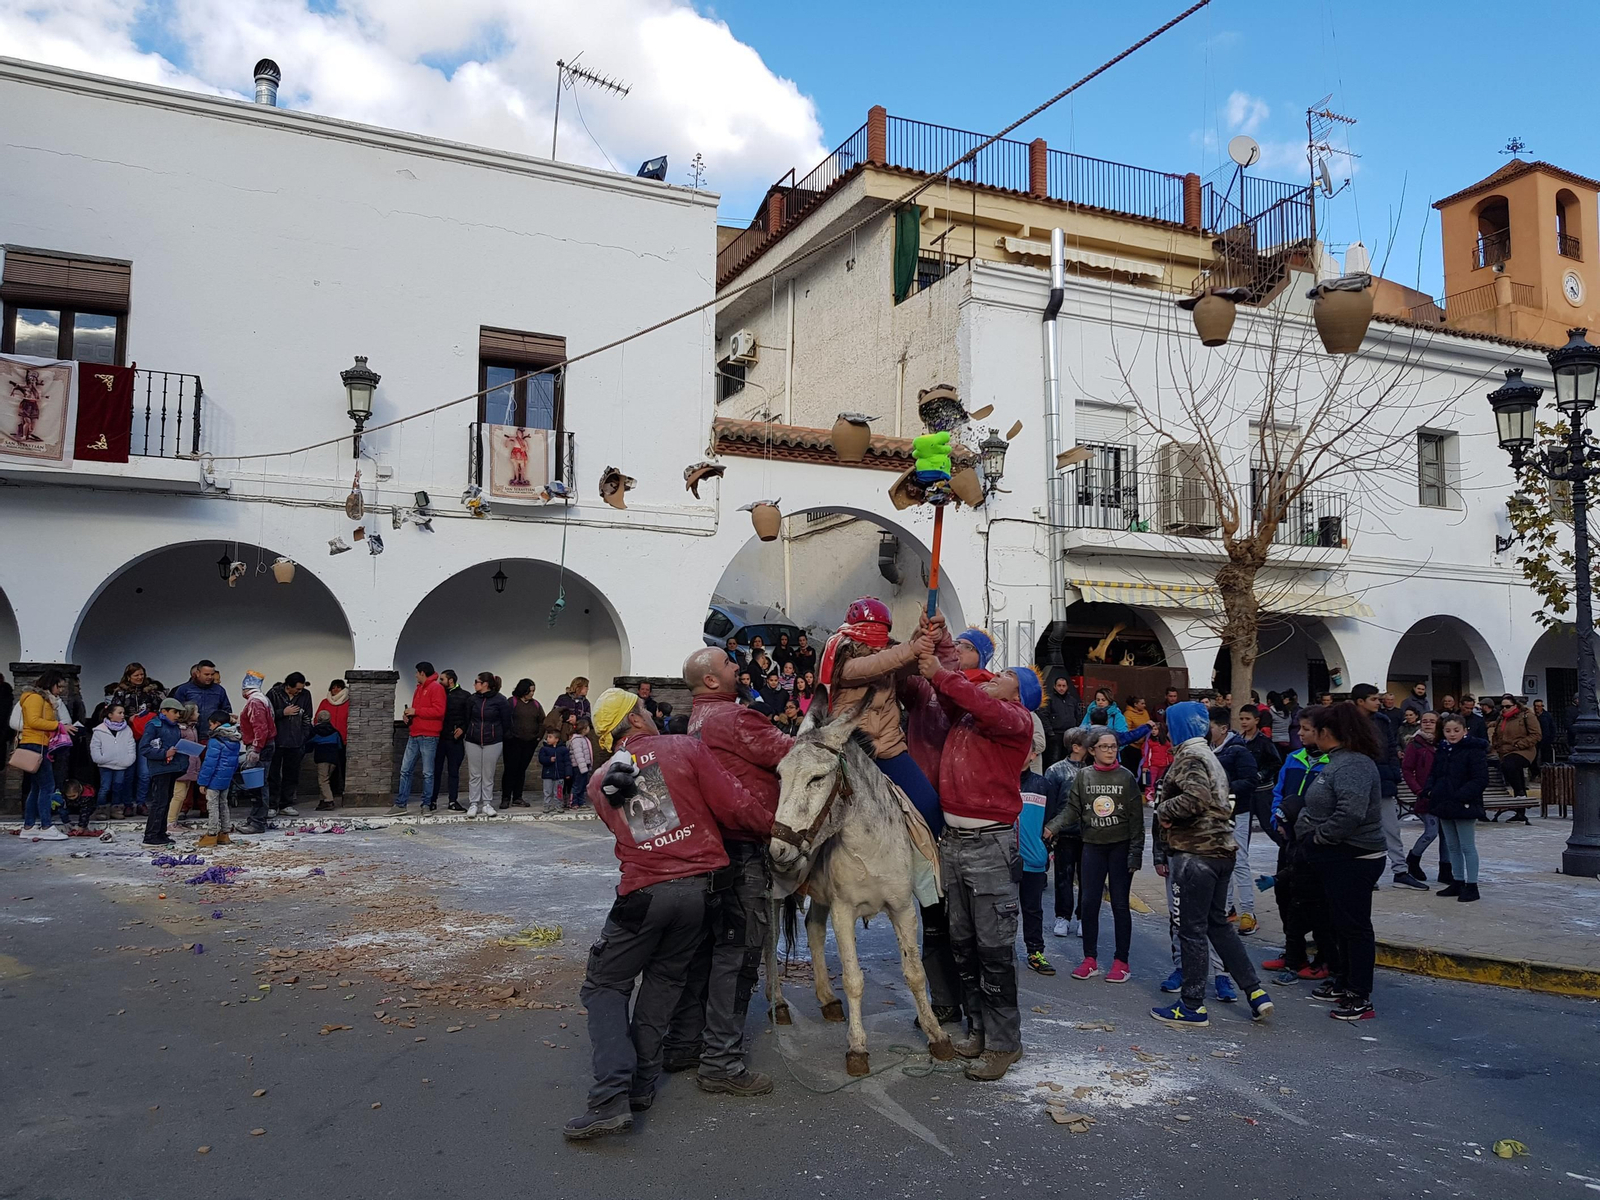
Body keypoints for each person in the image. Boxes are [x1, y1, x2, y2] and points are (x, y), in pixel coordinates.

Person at [565, 688, 773, 1141]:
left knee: (604, 984)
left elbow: (643, 831)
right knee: (665, 980)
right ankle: (639, 1085)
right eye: (645, 710)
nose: (652, 715)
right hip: (700, 894)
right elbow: (736, 805)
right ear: (636, 720)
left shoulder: (602, 779)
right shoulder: (684, 748)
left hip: (645, 897)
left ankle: (609, 1098)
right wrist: (777, 829)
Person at [662, 647, 793, 1092]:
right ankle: (721, 1062)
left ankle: (683, 1043)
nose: (740, 667)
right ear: (713, 681)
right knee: (736, 958)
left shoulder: (695, 720)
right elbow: (794, 756)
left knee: (703, 952)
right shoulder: (736, 719)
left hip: (709, 852)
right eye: (730, 664)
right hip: (743, 851)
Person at [919, 653, 1038, 1082]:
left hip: (990, 846)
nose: (993, 679)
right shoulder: (972, 717)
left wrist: (940, 673)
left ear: (1019, 695)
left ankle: (1005, 1043)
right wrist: (938, 654)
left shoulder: (1014, 719)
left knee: (994, 951)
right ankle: (979, 1030)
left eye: (1004, 677)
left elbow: (972, 697)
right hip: (956, 844)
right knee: (964, 945)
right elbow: (957, 694)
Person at [1148, 701, 1274, 1028]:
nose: (1165, 729)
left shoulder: (1189, 758)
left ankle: (1192, 1005)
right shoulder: (1210, 756)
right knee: (1218, 924)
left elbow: (1196, 798)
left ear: (1179, 727)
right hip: (1221, 851)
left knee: (1192, 929)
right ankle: (1255, 991)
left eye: (1168, 724)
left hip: (1195, 854)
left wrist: (1162, 810)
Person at [818, 597, 956, 835]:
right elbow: (876, 665)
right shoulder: (840, 657)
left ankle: (933, 864)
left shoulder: (890, 652)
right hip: (850, 752)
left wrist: (930, 631)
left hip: (891, 749)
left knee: (930, 809)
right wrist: (914, 646)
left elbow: (905, 659)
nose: (876, 645)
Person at [1297, 702, 1388, 1021]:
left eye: (1313, 730)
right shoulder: (1336, 761)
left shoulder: (1353, 765)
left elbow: (1351, 812)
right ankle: (1343, 980)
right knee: (1339, 923)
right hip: (1336, 857)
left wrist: (1319, 837)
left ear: (1327, 733)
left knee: (1354, 926)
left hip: (1354, 856)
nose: (1306, 735)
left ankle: (1360, 994)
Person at [1047, 728, 1144, 984]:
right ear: (1092, 750)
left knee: (1120, 905)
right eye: (1105, 747)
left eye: (1114, 746)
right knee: (1089, 903)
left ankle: (1121, 962)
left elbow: (1137, 820)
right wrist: (1052, 827)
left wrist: (1136, 854)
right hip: (1092, 846)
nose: (1110, 751)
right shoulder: (1084, 777)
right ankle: (1089, 959)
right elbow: (1072, 810)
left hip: (1120, 848)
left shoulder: (1126, 777)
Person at [1261, 708, 1332, 982]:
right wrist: (1276, 819)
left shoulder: (1331, 763)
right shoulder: (1293, 759)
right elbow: (1278, 793)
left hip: (1314, 842)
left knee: (1314, 902)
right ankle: (1294, 953)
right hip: (1288, 840)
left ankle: (1324, 957)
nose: (1299, 734)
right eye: (1298, 729)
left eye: (1305, 729)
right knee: (1285, 895)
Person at [1351, 683, 1426, 890]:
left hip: (1382, 780)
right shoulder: (1345, 722)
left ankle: (1400, 871)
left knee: (1391, 828)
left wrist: (1394, 773)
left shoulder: (1382, 721)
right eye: (1374, 699)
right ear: (1360, 701)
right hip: (1355, 783)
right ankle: (1367, 874)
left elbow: (1391, 749)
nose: (1379, 702)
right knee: (1360, 830)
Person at [1210, 706, 1264, 943]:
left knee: (1239, 861)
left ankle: (1248, 912)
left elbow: (1250, 781)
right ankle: (1227, 908)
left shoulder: (1239, 752)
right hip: (1216, 815)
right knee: (1221, 861)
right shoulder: (1209, 750)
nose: (1206, 731)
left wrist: (1224, 791)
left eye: (1210, 727)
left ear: (1222, 728)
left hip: (1238, 813)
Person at [1422, 714, 1488, 902]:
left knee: (1467, 845)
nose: (1452, 734)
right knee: (1452, 845)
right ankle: (1457, 880)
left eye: (1456, 730)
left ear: (1465, 730)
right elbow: (1434, 773)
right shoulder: (1443, 750)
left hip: (1464, 803)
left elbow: (1480, 779)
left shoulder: (1473, 750)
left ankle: (1472, 885)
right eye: (1448, 731)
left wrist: (1461, 795)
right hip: (1444, 802)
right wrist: (1430, 791)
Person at [1017, 719, 1055, 976]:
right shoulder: (998, 781)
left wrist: (1045, 848)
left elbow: (1050, 821)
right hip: (1002, 861)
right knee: (1000, 914)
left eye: (1025, 750)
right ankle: (999, 954)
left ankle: (1035, 951)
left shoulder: (1042, 785)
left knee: (1032, 909)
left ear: (1034, 753)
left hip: (1033, 861)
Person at [1042, 729, 1089, 937]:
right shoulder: (1056, 771)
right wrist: (1050, 828)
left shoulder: (1094, 769)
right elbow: (1050, 803)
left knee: (1087, 879)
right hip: (1065, 833)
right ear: (1076, 747)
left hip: (1089, 833)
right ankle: (1063, 916)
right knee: (1063, 876)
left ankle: (1083, 917)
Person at [15, 670, 70, 840]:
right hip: (35, 744)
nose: (60, 690)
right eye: (58, 686)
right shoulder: (35, 698)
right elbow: (33, 721)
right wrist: (58, 726)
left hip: (38, 744)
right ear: (50, 684)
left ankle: (29, 825)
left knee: (37, 787)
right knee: (47, 786)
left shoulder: (40, 698)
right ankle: (46, 826)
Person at [1401, 711, 1451, 885]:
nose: (1428, 724)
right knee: (1431, 831)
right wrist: (1418, 790)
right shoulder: (1415, 744)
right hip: (1425, 795)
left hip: (1445, 795)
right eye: (1424, 721)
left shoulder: (1445, 743)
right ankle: (1413, 860)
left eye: (1432, 721)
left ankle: (1446, 870)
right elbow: (1407, 769)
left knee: (1446, 833)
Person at [394, 662, 446, 813]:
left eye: (417, 673)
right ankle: (401, 804)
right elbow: (416, 711)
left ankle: (426, 804)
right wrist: (407, 716)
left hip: (429, 736)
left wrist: (416, 711)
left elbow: (439, 711)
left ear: (422, 673)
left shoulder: (436, 688)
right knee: (405, 770)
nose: (415, 675)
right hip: (414, 734)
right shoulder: (419, 689)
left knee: (427, 773)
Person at [139, 697, 191, 847]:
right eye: (175, 712)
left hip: (172, 768)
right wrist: (164, 754)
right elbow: (145, 748)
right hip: (160, 768)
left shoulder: (174, 726)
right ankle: (151, 835)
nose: (177, 715)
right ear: (164, 711)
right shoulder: (154, 725)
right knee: (159, 802)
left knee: (166, 801)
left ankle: (160, 833)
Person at [461, 671, 512, 818]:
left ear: (485, 684)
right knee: (474, 774)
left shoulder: (500, 700)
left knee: (488, 774)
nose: (474, 684)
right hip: (473, 740)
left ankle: (487, 803)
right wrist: (468, 732)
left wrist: (500, 735)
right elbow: (467, 718)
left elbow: (506, 721)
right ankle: (473, 803)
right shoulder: (472, 700)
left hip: (493, 741)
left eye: (477, 682)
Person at [266, 673, 312, 818]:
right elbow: (267, 715)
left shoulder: (305, 695)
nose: (299, 692)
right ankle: (272, 804)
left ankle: (286, 803)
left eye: (301, 689)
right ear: (288, 686)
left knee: (292, 774)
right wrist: (283, 712)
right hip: (277, 740)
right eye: (297, 689)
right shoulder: (274, 694)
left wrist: (304, 736)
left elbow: (308, 717)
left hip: (296, 741)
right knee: (273, 774)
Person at [237, 671, 275, 835]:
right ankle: (257, 819)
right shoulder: (263, 699)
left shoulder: (254, 702)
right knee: (261, 783)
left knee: (258, 785)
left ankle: (257, 822)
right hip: (265, 745)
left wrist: (255, 748)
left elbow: (260, 727)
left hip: (260, 747)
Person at [195, 709, 240, 846]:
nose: (210, 727)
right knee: (224, 804)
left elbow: (209, 764)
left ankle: (212, 833)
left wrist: (202, 782)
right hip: (226, 779)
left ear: (217, 724)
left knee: (212, 806)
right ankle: (224, 833)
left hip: (214, 779)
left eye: (211, 724)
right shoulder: (235, 739)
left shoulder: (215, 740)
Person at [429, 670, 471, 811]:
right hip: (439, 738)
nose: (440, 682)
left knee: (454, 772)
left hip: (455, 740)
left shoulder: (465, 696)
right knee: (435, 771)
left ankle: (453, 801)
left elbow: (469, 717)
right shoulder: (438, 694)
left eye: (442, 679)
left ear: (451, 680)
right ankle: (432, 800)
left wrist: (462, 729)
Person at [89, 701, 137, 826]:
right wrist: (100, 758)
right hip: (105, 765)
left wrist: (129, 759)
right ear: (110, 715)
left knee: (118, 786)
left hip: (121, 764)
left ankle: (116, 808)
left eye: (123, 713)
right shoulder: (100, 730)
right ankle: (101, 808)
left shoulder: (127, 730)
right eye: (119, 713)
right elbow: (95, 747)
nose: (122, 715)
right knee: (105, 787)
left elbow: (131, 746)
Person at [502, 679, 544, 810]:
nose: (532, 694)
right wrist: (509, 735)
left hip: (529, 743)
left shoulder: (536, 705)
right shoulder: (511, 702)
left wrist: (538, 737)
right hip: (513, 742)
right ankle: (506, 797)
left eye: (533, 691)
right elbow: (504, 719)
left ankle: (517, 797)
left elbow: (542, 721)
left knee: (521, 770)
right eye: (529, 691)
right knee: (510, 770)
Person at [1490, 693, 1541, 802]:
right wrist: (1496, 746)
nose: (1504, 709)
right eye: (1502, 707)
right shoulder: (1501, 718)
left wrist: (1519, 744)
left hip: (1523, 751)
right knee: (1514, 772)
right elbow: (1496, 734)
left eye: (1507, 706)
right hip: (1505, 751)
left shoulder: (1527, 716)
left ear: (1515, 706)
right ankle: (1520, 804)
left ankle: (1519, 792)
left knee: (1509, 765)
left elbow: (1536, 735)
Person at [167, 703, 203, 827]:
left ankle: (174, 820)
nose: (198, 714)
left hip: (191, 765)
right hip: (181, 765)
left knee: (183, 794)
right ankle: (170, 822)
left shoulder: (193, 728)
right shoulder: (179, 729)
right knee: (178, 795)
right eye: (196, 712)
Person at [171, 660, 231, 731]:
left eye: (212, 674)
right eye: (206, 674)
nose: (210, 677)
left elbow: (226, 711)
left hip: (213, 732)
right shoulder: (184, 689)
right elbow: (175, 711)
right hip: (189, 732)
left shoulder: (219, 690)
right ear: (198, 673)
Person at [306, 708, 345, 811]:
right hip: (334, 759)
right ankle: (322, 801)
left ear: (318, 718)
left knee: (323, 780)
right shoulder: (335, 731)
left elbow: (308, 743)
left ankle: (328, 801)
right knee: (326, 780)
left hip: (322, 758)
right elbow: (340, 746)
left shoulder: (315, 731)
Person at [1043, 675, 1081, 768]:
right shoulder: (1049, 700)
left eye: (1063, 686)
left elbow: (1078, 715)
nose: (1061, 688)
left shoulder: (1072, 700)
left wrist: (1077, 729)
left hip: (1070, 735)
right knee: (1054, 760)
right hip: (1055, 735)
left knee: (1069, 760)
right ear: (1054, 686)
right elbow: (1044, 715)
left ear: (1067, 687)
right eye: (1059, 686)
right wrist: (1050, 732)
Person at [538, 729, 571, 814]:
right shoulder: (544, 749)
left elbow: (567, 762)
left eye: (550, 737)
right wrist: (549, 759)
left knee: (559, 791)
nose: (548, 739)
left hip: (560, 775)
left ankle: (558, 805)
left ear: (556, 739)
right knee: (547, 791)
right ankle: (547, 806)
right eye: (548, 737)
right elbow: (541, 759)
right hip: (547, 774)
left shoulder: (563, 750)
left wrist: (568, 773)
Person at [568, 717, 596, 809]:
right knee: (577, 785)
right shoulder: (576, 740)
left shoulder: (584, 739)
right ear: (584, 729)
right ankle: (573, 802)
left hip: (584, 765)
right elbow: (578, 755)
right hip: (579, 766)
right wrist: (583, 768)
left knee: (583, 785)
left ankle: (581, 802)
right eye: (587, 727)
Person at [1532, 699, 1557, 774]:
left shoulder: (1547, 716)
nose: (1537, 708)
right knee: (1534, 758)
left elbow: (1552, 728)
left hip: (1546, 740)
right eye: (1535, 706)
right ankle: (1535, 773)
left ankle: (1546, 773)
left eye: (1539, 706)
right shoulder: (1532, 716)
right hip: (1535, 741)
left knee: (1546, 758)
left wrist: (1551, 738)